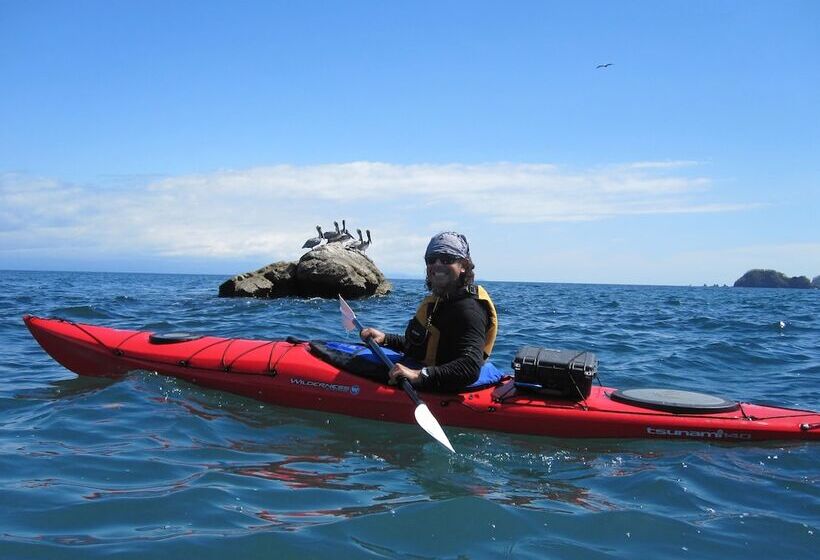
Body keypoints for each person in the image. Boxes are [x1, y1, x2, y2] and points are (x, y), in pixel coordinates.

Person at [359, 232, 498, 392]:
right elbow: (425, 348)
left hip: (444, 386)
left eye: (447, 259)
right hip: (431, 371)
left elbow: (469, 367)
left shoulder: (469, 310)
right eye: (431, 260)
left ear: (463, 266)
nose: (437, 264)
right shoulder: (442, 300)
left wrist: (419, 375)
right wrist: (386, 338)